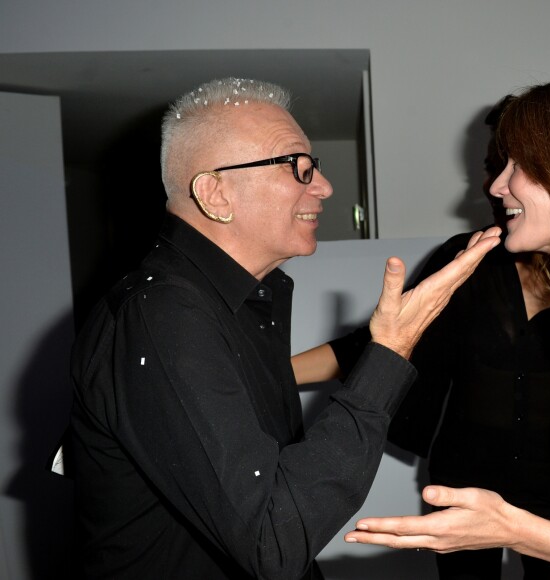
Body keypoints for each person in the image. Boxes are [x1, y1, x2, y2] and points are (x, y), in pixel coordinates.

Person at [68, 77, 500, 580]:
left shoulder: (239, 301)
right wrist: (389, 353)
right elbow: (272, 540)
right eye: (298, 166)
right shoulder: (162, 316)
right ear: (214, 192)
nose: (323, 186)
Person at [293, 93, 550, 579]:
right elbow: (379, 344)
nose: (496, 185)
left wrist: (518, 530)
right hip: (464, 478)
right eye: (497, 164)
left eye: (519, 163)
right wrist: (266, 376)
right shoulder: (470, 261)